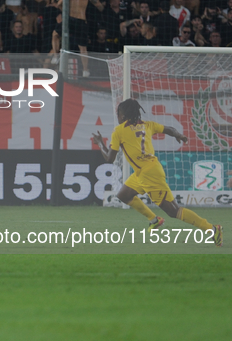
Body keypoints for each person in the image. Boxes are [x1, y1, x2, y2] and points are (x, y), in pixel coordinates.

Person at [92, 99, 222, 247]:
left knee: (174, 211)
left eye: (118, 114)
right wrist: (178, 135)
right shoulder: (148, 125)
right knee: (124, 195)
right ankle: (154, 220)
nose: (118, 117)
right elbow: (169, 129)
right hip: (144, 171)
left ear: (122, 116)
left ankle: (212, 229)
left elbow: (109, 158)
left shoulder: (119, 131)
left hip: (149, 175)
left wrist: (100, 143)